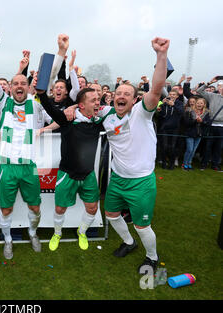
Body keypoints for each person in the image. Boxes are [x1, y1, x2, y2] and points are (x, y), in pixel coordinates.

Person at [66, 37, 170, 272]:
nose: (121, 96)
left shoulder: (142, 113)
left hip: (141, 181)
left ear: (135, 99)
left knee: (143, 226)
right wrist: (72, 107)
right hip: (117, 179)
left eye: (127, 93)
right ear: (113, 97)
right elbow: (82, 104)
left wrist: (161, 55)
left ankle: (151, 257)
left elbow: (155, 88)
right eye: (118, 92)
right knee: (112, 214)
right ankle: (128, 242)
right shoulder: (107, 113)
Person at [0, 32, 55, 259]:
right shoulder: (4, 103)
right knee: (6, 208)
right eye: (16, 83)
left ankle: (32, 233)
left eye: (23, 83)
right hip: (7, 166)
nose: (19, 86)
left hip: (29, 166)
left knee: (35, 207)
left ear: (28, 86)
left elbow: (56, 113)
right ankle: (9, 239)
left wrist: (43, 129)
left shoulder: (34, 103)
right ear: (9, 88)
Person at [37, 85, 103, 251]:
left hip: (88, 175)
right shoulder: (67, 121)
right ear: (82, 105)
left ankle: (82, 232)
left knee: (93, 208)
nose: (98, 103)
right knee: (60, 208)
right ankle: (57, 233)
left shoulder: (99, 121)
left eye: (98, 99)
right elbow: (50, 108)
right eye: (93, 100)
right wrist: (42, 93)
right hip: (67, 174)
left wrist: (73, 105)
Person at [197, 77, 223, 171]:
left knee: (218, 148)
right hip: (211, 125)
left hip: (222, 126)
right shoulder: (212, 95)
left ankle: (215, 165)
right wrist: (209, 82)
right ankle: (204, 164)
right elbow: (199, 91)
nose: (221, 88)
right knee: (207, 146)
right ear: (218, 88)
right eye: (220, 87)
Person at [157, 89, 184, 169]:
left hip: (175, 128)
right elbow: (161, 115)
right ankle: (164, 162)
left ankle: (171, 163)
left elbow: (181, 112)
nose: (171, 96)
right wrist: (160, 108)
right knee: (164, 146)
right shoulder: (165, 103)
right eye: (170, 94)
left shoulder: (179, 103)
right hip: (165, 128)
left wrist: (173, 105)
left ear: (177, 96)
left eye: (173, 95)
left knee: (172, 147)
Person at [182, 97, 211, 170]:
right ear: (195, 103)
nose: (199, 104)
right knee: (189, 149)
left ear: (204, 104)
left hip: (199, 134)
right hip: (190, 133)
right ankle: (184, 164)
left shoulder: (206, 112)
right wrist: (195, 120)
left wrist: (202, 122)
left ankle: (189, 163)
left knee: (194, 150)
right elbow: (186, 123)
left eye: (201, 103)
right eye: (198, 103)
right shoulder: (189, 111)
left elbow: (208, 123)